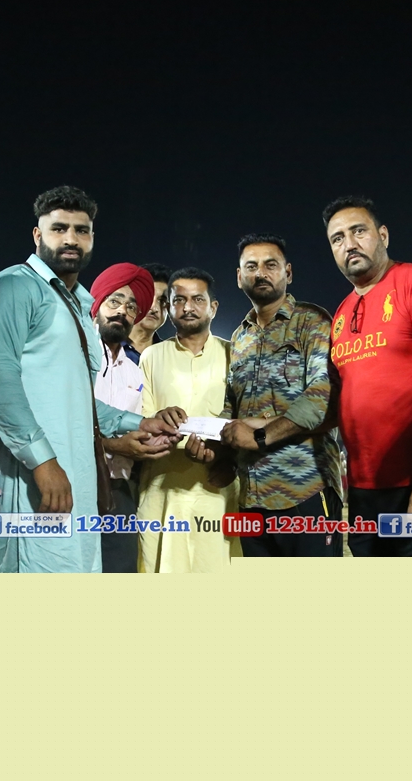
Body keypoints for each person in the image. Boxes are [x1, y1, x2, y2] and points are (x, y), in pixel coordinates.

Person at [0, 186, 181, 573]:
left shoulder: (80, 305)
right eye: (59, 229)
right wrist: (43, 462)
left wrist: (138, 423)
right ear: (37, 235)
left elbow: (78, 399)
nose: (71, 239)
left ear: (92, 238)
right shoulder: (12, 287)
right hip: (34, 482)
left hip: (79, 484)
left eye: (81, 230)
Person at [324, 196, 412, 557]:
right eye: (337, 238)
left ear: (382, 235)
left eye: (359, 231)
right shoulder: (341, 313)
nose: (349, 244)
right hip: (364, 487)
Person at [219, 234, 345, 557]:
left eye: (270, 265)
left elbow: (323, 396)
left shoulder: (312, 322)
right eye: (251, 266)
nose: (260, 273)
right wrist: (212, 438)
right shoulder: (239, 337)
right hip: (251, 496)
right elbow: (231, 405)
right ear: (239, 277)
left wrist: (260, 435)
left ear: (288, 273)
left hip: (305, 489)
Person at [137, 268, 242, 571]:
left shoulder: (234, 356)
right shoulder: (151, 357)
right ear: (168, 307)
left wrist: (225, 455)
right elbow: (139, 420)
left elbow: (244, 419)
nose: (188, 307)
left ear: (213, 307)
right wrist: (158, 419)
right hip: (162, 491)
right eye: (179, 300)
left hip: (219, 490)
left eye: (198, 299)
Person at [89, 263, 174, 572]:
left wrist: (158, 436)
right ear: (97, 304)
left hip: (120, 490)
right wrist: (115, 445)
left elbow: (137, 422)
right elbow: (66, 420)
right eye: (114, 301)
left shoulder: (134, 371)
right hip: (74, 484)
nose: (122, 312)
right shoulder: (75, 354)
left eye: (131, 307)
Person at [124, 262, 170, 364]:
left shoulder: (170, 357)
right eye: (148, 297)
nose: (154, 308)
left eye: (162, 301)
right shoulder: (105, 347)